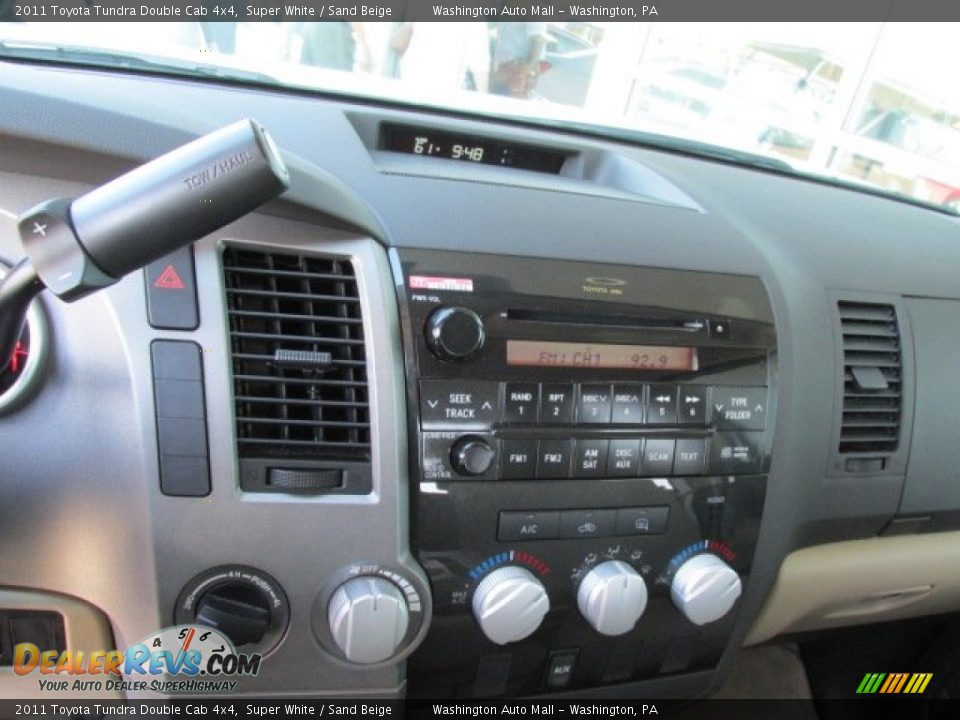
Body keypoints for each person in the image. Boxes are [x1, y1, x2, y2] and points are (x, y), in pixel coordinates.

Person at [490, 22, 550, 99]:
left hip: (518, 69)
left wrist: (526, 68)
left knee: (512, 105)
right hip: (504, 68)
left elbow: (539, 38)